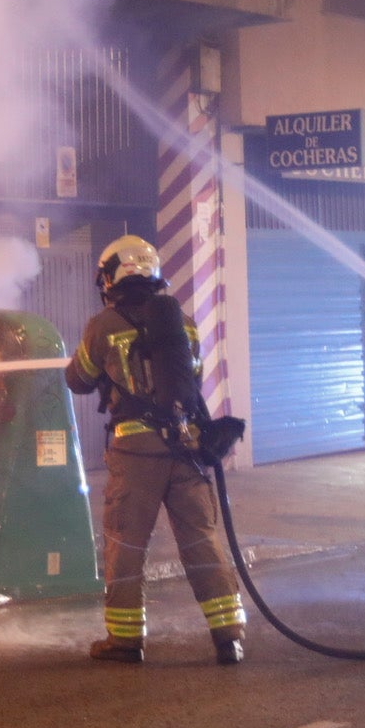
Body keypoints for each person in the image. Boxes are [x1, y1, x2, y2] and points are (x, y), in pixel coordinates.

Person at [64, 235, 246, 665]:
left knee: (126, 545)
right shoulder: (182, 321)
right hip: (186, 448)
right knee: (201, 541)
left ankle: (126, 641)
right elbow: (192, 375)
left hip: (136, 453)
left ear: (112, 275)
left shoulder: (103, 325)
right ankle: (229, 637)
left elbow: (79, 379)